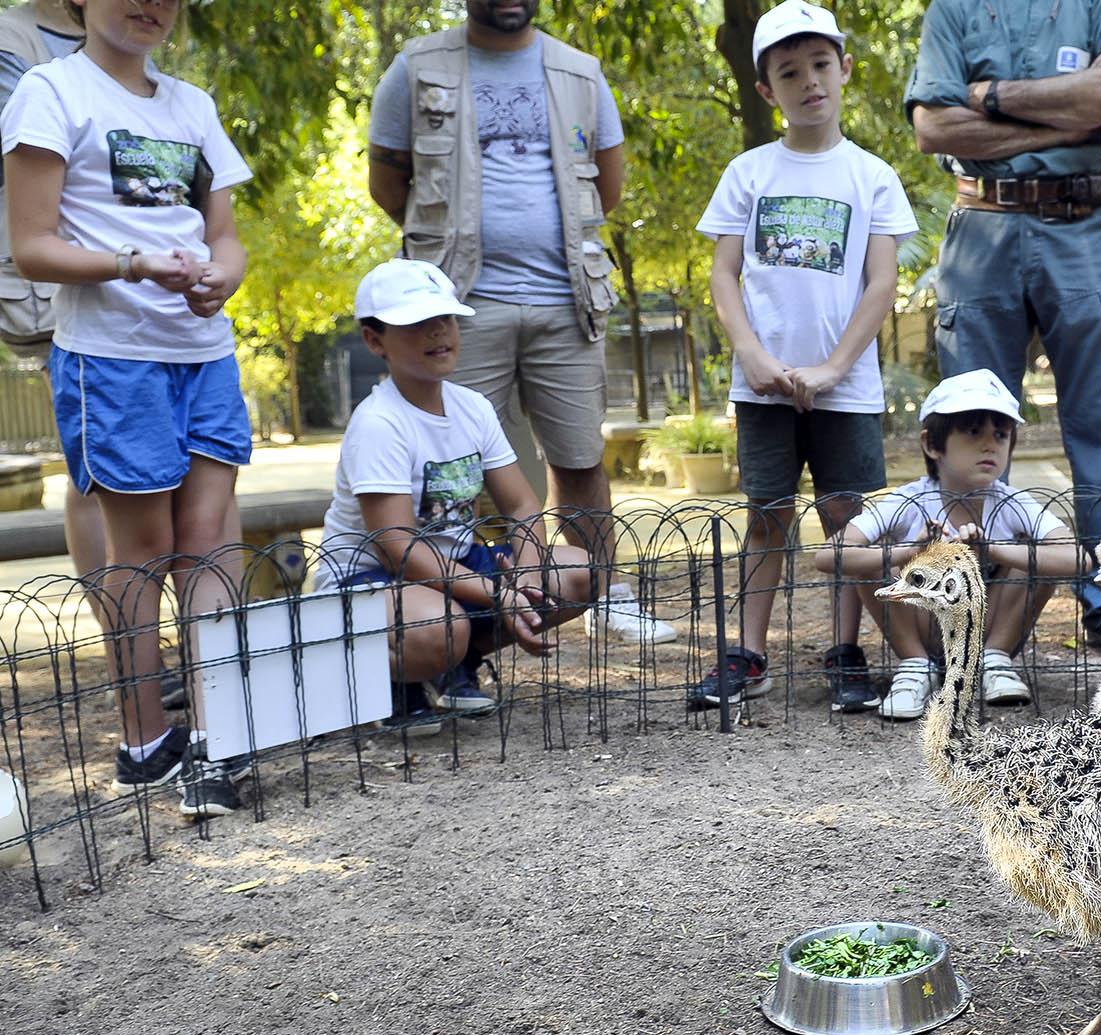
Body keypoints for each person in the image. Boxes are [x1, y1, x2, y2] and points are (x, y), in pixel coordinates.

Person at [2, 0, 252, 815]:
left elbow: (227, 234)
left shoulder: (193, 106)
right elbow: (33, 244)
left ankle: (214, 744)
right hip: (110, 360)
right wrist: (134, 263)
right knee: (141, 549)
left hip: (204, 353)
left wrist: (226, 274)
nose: (150, 5)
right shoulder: (50, 90)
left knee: (210, 544)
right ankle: (145, 742)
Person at [367, 0, 674, 646]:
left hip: (567, 297)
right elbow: (389, 183)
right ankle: (460, 634)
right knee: (453, 469)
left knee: (581, 454)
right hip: (460, 302)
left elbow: (607, 188)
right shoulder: (416, 67)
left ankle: (608, 595)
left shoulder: (581, 73)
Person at [689, 0, 916, 713]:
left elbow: (882, 281)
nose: (809, 81)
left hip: (844, 386)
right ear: (767, 91)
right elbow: (724, 274)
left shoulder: (871, 176)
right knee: (767, 515)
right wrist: (752, 355)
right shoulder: (749, 172)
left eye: (821, 64)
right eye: (789, 71)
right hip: (764, 385)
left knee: (847, 521)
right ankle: (749, 652)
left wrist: (834, 366)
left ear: (845, 69)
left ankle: (846, 650)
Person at [904, 0, 1101, 654]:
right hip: (982, 227)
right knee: (966, 424)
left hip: (1087, 225)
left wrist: (989, 99)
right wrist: (1067, 122)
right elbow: (933, 127)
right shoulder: (950, 11)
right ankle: (962, 602)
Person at [315, 259, 593, 728]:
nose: (437, 333)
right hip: (369, 581)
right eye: (417, 324)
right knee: (437, 626)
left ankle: (453, 664)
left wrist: (523, 579)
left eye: (444, 318)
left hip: (452, 569)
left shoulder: (473, 407)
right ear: (374, 340)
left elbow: (523, 505)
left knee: (576, 573)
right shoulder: (380, 423)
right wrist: (497, 593)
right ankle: (392, 684)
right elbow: (397, 549)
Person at [816, 369, 1086, 720]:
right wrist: (909, 553)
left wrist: (994, 550)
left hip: (988, 628)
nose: (990, 445)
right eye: (973, 432)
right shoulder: (907, 501)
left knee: (1034, 555)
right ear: (932, 444)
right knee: (872, 554)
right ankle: (914, 665)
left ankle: (994, 661)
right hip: (921, 625)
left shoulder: (1012, 502)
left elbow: (1079, 558)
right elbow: (828, 556)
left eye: (1001, 435)